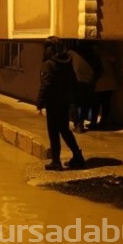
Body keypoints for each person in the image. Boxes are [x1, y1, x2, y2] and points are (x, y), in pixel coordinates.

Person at [36, 36, 86, 171]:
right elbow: (73, 81)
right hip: (65, 101)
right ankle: (77, 155)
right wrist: (74, 99)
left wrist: (39, 103)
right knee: (64, 130)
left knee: (53, 132)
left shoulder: (48, 64)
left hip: (53, 102)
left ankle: (56, 161)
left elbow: (46, 84)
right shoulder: (67, 62)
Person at [68, 40, 102, 133]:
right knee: (85, 104)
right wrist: (93, 79)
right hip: (89, 83)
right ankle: (80, 123)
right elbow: (99, 69)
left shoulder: (71, 53)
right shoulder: (93, 55)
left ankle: (77, 123)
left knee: (74, 103)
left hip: (75, 82)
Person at [89, 44, 118, 129]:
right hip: (109, 84)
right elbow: (114, 59)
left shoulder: (94, 57)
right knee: (105, 103)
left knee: (95, 104)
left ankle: (94, 122)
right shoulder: (106, 54)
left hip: (99, 84)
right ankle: (102, 122)